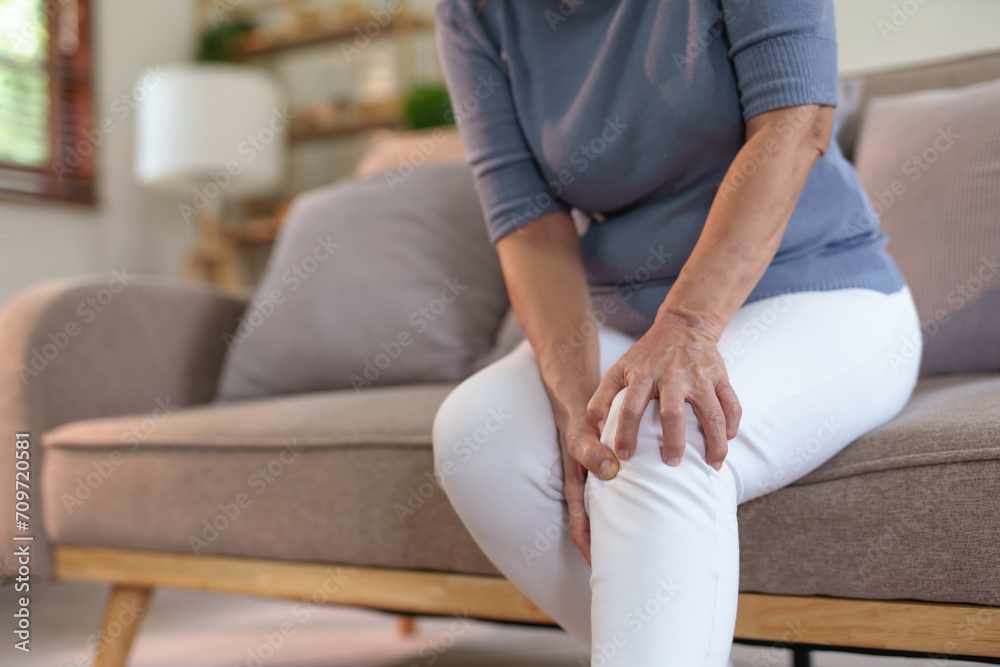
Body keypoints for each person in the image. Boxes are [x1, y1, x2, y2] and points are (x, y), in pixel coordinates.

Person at [430, 0, 923, 664]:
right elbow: (528, 223)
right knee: (474, 436)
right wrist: (575, 407)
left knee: (662, 429)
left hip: (820, 292)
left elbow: (794, 123)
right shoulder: (473, 11)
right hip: (626, 318)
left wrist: (688, 327)